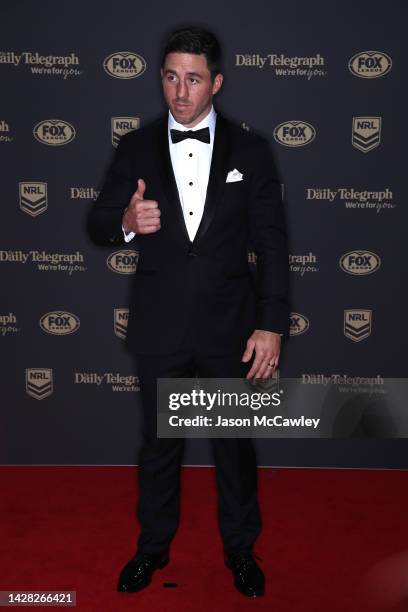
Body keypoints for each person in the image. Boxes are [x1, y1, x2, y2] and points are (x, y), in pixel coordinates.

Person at [88, 26, 289, 598]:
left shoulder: (251, 151)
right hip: (160, 328)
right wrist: (126, 223)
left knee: (233, 448)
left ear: (216, 83)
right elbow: (98, 223)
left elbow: (272, 244)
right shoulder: (136, 147)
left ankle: (240, 551)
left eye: (194, 78)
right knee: (159, 449)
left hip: (231, 329)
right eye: (171, 76)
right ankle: (151, 550)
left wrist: (271, 322)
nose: (180, 91)